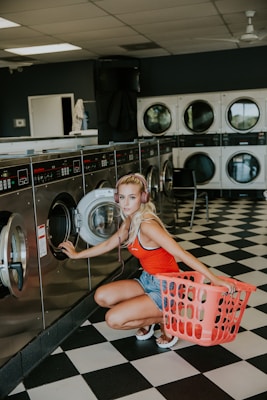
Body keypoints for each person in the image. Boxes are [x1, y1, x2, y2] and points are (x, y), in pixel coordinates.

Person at [59, 173, 235, 348]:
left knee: (113, 320)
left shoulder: (147, 225)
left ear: (143, 198)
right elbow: (110, 243)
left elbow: (182, 254)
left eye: (132, 197)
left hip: (167, 287)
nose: (125, 203)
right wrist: (76, 254)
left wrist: (215, 280)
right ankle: (148, 317)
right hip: (147, 280)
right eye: (121, 197)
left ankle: (168, 319)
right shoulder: (129, 219)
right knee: (101, 297)